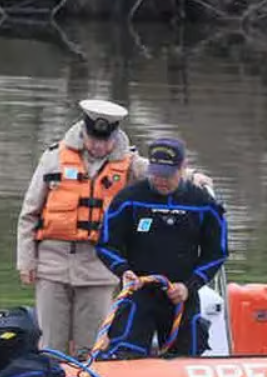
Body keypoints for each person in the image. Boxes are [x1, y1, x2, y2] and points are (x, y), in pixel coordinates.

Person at [16, 99, 212, 356]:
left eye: (105, 141)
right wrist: (26, 261)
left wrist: (192, 176)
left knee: (92, 345)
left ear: (115, 135)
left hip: (99, 267)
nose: (99, 146)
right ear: (84, 131)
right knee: (51, 342)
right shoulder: (53, 158)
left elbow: (158, 172)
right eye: (93, 139)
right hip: (53, 262)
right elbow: (29, 213)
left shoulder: (129, 163)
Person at [94, 137, 228, 359]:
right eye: (156, 174)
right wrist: (123, 271)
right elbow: (106, 244)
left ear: (183, 168)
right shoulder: (129, 199)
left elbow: (217, 253)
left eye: (167, 175)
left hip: (181, 296)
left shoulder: (203, 203)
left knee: (187, 354)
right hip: (138, 293)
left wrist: (189, 286)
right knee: (125, 354)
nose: (160, 181)